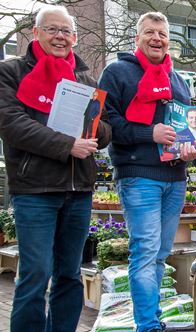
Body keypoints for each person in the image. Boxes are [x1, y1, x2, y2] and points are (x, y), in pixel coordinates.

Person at [0, 5, 111, 331]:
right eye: (52, 29)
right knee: (35, 273)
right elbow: (12, 125)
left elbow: (106, 128)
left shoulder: (85, 78)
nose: (59, 36)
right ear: (36, 33)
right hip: (35, 190)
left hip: (78, 191)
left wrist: (91, 130)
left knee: (70, 273)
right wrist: (68, 145)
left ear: (74, 37)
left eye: (65, 31)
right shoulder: (12, 72)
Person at [98, 12, 196, 332]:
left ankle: (151, 318)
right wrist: (148, 134)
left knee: (159, 255)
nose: (157, 38)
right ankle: (148, 326)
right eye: (150, 32)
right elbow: (103, 122)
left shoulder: (178, 80)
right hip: (139, 175)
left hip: (175, 177)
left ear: (169, 40)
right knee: (145, 252)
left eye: (163, 34)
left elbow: (192, 128)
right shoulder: (116, 72)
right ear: (137, 38)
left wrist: (195, 149)